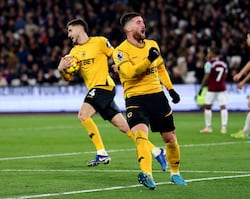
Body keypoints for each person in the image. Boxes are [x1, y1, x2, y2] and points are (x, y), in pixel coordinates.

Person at [57, 18, 167, 171]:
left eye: (70, 31)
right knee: (126, 128)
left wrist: (119, 66)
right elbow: (67, 78)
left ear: (79, 29)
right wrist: (61, 69)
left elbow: (116, 54)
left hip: (104, 86)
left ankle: (101, 152)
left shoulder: (100, 42)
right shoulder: (73, 53)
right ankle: (156, 151)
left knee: (83, 115)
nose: (68, 35)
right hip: (96, 91)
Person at [112, 12, 186, 190]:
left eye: (143, 22)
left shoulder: (152, 45)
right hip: (135, 98)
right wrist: (148, 59)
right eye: (138, 22)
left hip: (157, 97)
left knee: (170, 139)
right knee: (140, 136)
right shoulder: (120, 51)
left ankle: (175, 173)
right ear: (128, 28)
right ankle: (147, 174)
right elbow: (130, 73)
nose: (143, 25)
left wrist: (170, 89)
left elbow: (160, 68)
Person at [199, 47, 228, 134]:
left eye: (209, 53)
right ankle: (224, 127)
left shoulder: (209, 63)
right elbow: (225, 75)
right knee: (223, 107)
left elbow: (207, 76)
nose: (208, 54)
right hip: (222, 88)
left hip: (212, 89)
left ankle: (208, 127)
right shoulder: (223, 63)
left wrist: (202, 86)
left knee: (208, 107)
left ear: (212, 54)